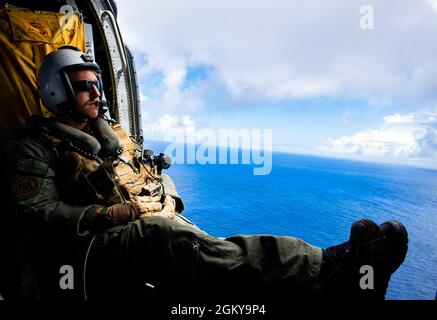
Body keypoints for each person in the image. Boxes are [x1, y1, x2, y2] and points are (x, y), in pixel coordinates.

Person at [9, 46, 408, 301]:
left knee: (205, 247)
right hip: (90, 250)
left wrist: (164, 194)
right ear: (56, 90)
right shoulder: (38, 145)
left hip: (140, 224)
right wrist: (109, 215)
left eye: (97, 84)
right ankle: (327, 265)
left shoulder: (112, 133)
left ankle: (331, 282)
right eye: (83, 85)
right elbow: (36, 214)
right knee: (166, 237)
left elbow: (148, 171)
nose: (96, 92)